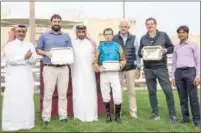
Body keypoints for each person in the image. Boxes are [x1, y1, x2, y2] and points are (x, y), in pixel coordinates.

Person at [138, 17, 176, 124]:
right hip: (148, 68)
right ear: (146, 26)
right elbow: (139, 53)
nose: (150, 26)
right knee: (152, 92)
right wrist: (141, 52)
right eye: (148, 24)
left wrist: (164, 50)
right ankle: (155, 114)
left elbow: (171, 47)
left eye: (152, 24)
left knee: (168, 91)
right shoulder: (143, 38)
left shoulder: (163, 35)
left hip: (161, 67)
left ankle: (172, 115)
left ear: (155, 25)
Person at [36, 14, 72, 126]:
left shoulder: (66, 36)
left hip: (63, 68)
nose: (56, 23)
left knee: (62, 94)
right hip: (49, 68)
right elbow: (38, 49)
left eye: (58, 21)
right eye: (54, 21)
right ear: (51, 22)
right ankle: (46, 117)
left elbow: (70, 50)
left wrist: (66, 56)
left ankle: (63, 116)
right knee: (48, 93)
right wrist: (46, 53)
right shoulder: (44, 36)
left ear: (61, 23)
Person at [2, 24, 37, 131]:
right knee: (13, 98)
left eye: (23, 31)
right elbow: (9, 61)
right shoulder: (9, 45)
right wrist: (24, 57)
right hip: (14, 77)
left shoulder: (30, 45)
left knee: (26, 98)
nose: (21, 33)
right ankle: (12, 124)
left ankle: (27, 123)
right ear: (16, 33)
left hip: (26, 76)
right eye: (19, 31)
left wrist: (29, 58)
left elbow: (34, 60)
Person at [93, 28, 126, 123]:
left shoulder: (118, 46)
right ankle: (108, 116)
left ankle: (117, 116)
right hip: (104, 73)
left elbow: (123, 59)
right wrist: (99, 68)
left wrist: (120, 65)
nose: (108, 36)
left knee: (118, 95)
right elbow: (94, 62)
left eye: (110, 34)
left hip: (115, 74)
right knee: (105, 94)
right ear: (104, 35)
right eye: (106, 34)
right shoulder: (100, 47)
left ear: (112, 35)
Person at [171, 25, 200, 127]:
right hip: (178, 73)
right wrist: (173, 77)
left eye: (183, 32)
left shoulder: (193, 45)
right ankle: (186, 119)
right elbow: (173, 63)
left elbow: (198, 62)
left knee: (193, 98)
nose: (181, 34)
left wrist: (198, 76)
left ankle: (197, 120)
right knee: (182, 98)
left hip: (190, 72)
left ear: (187, 33)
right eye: (179, 32)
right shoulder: (176, 47)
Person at [113, 20, 141, 119]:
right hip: (118, 69)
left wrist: (138, 67)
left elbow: (137, 54)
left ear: (128, 28)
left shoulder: (134, 38)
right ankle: (118, 111)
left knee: (132, 91)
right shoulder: (114, 38)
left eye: (125, 26)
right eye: (121, 26)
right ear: (119, 27)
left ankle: (133, 112)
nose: (123, 28)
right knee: (117, 91)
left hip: (130, 68)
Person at [71, 25, 98, 122]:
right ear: (76, 32)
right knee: (78, 92)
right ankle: (78, 115)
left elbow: (96, 54)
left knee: (90, 92)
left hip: (89, 73)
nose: (81, 34)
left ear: (86, 32)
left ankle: (92, 115)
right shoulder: (72, 43)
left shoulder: (91, 43)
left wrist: (91, 40)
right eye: (79, 32)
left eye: (83, 32)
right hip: (76, 73)